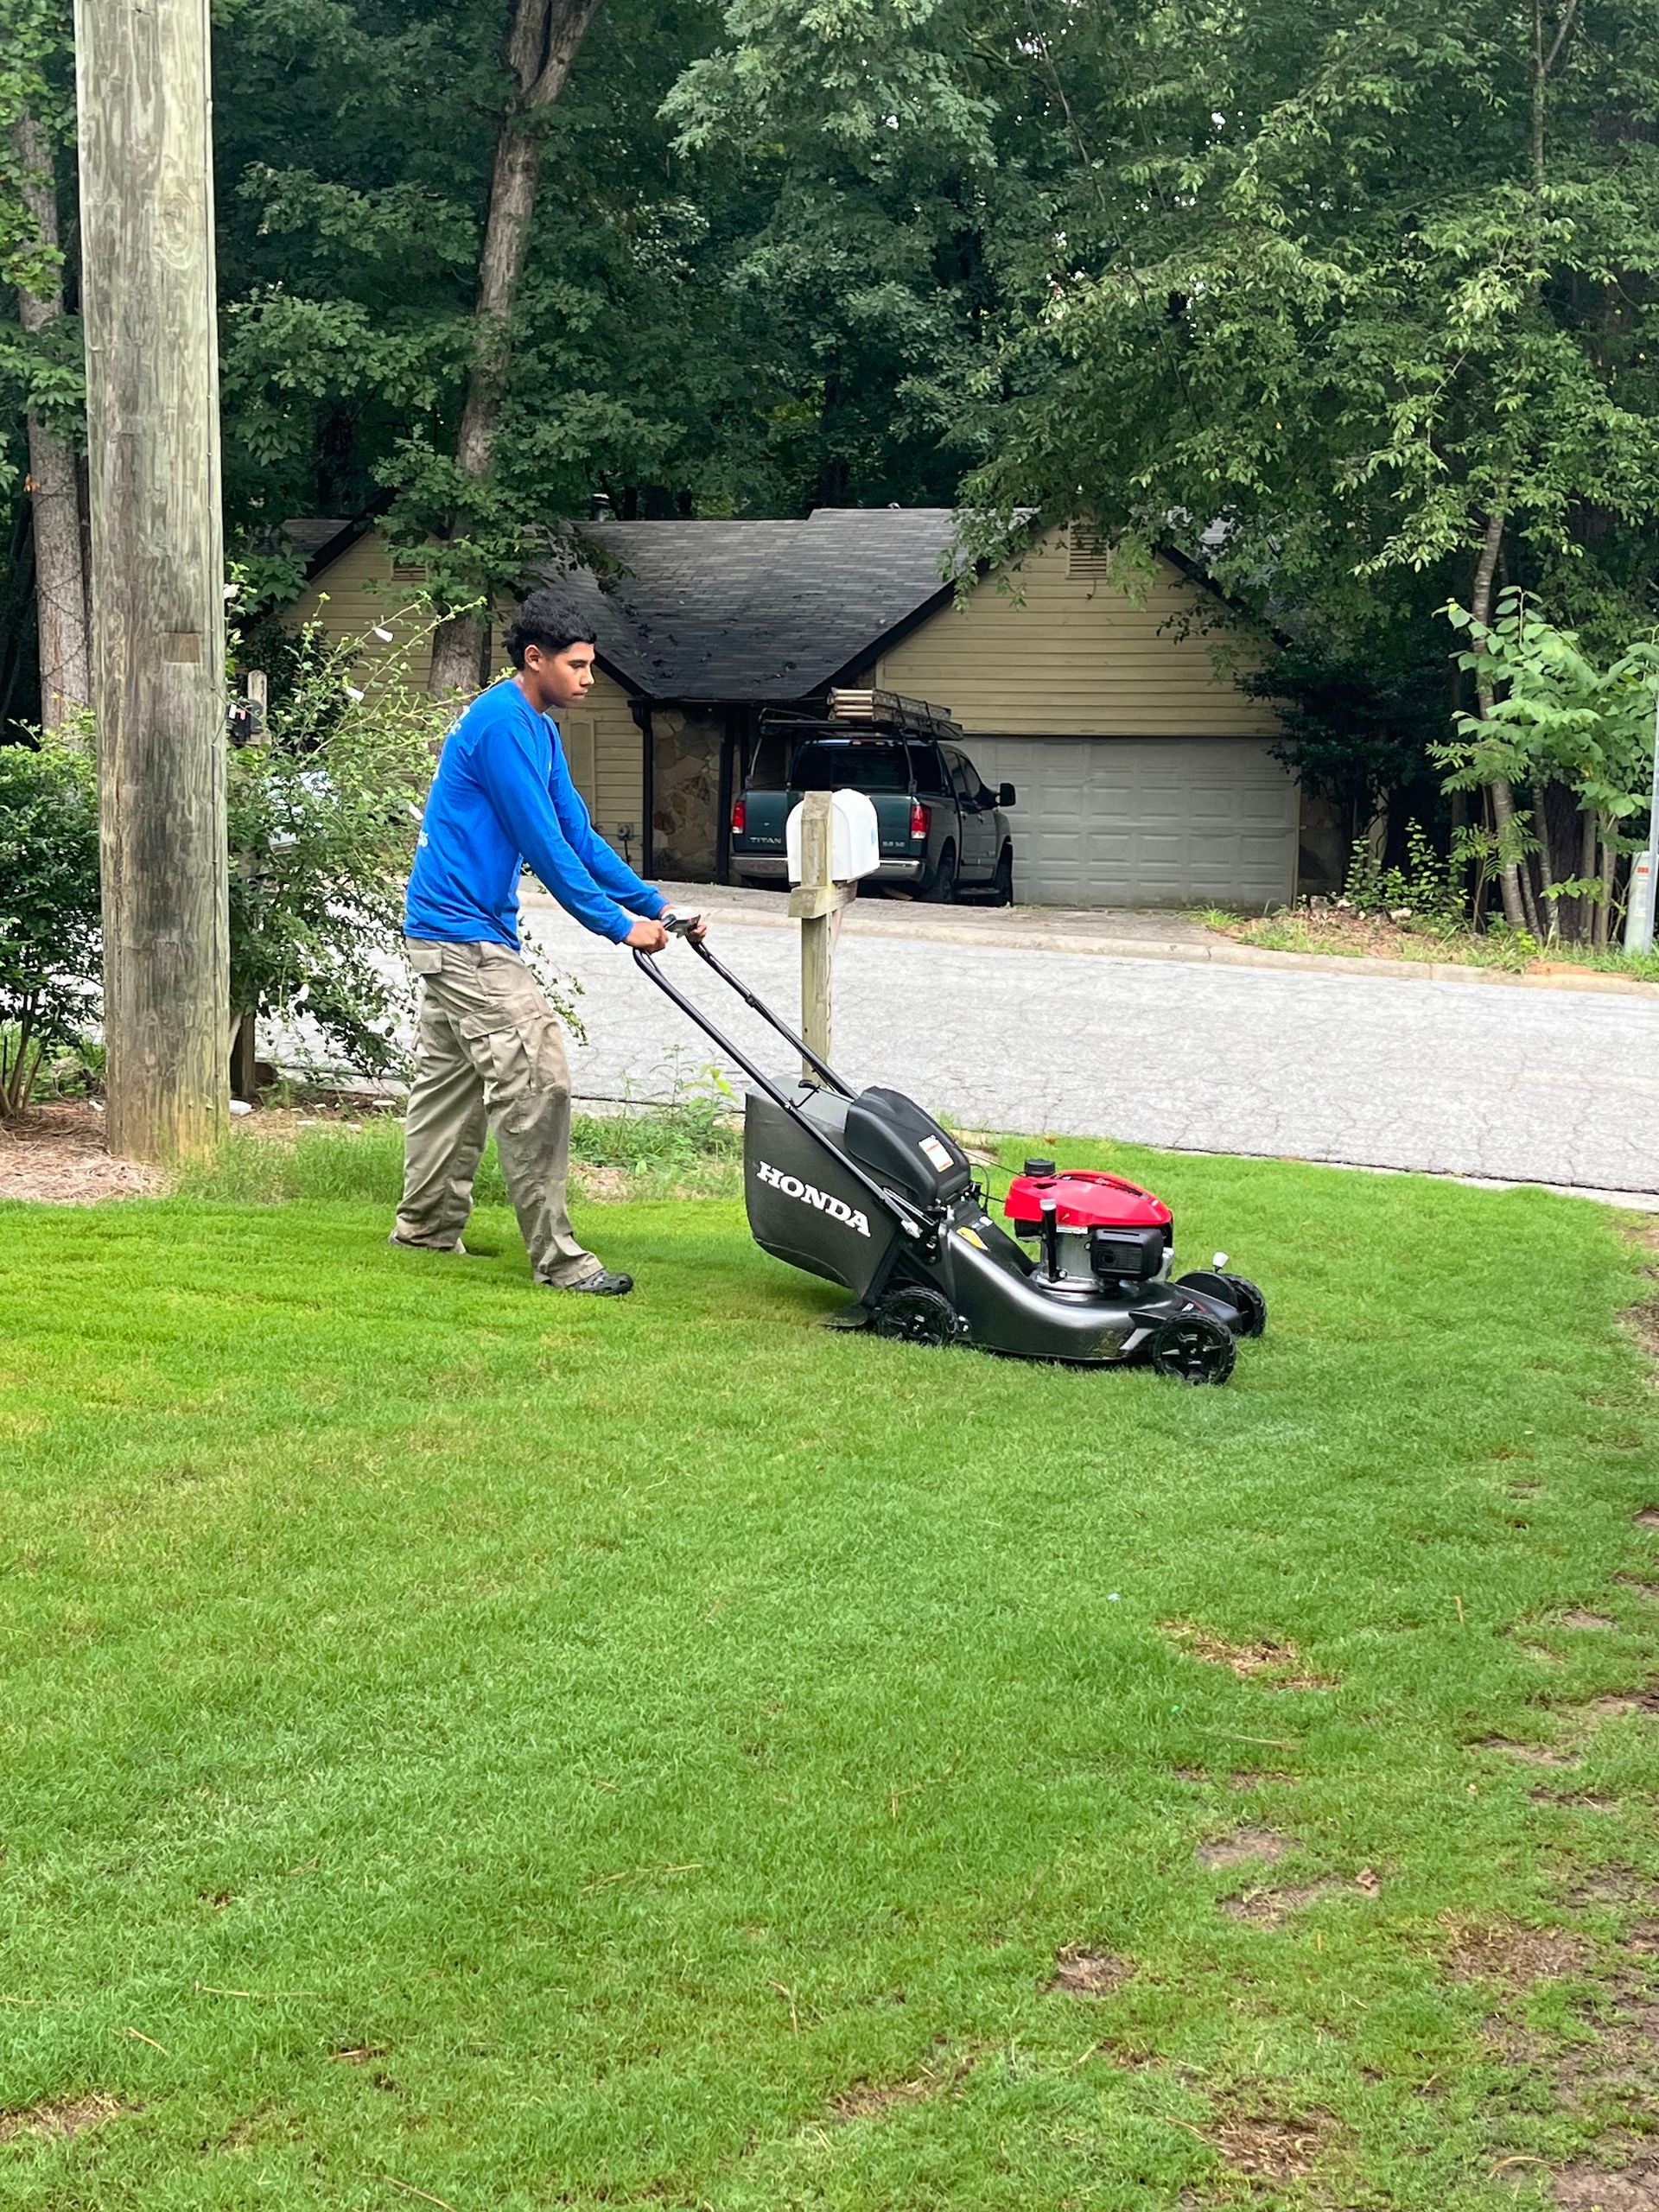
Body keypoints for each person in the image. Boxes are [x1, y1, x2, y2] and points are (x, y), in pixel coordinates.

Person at [391, 588, 702, 1295]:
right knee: (538, 1076)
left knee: (451, 1089)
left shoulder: (539, 729)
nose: (589, 679)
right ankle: (560, 1262)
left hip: (457, 932)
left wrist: (658, 906)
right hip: (463, 935)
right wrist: (619, 925)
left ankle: (425, 1228)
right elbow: (543, 847)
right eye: (579, 665)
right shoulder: (501, 723)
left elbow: (578, 838)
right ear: (535, 659)